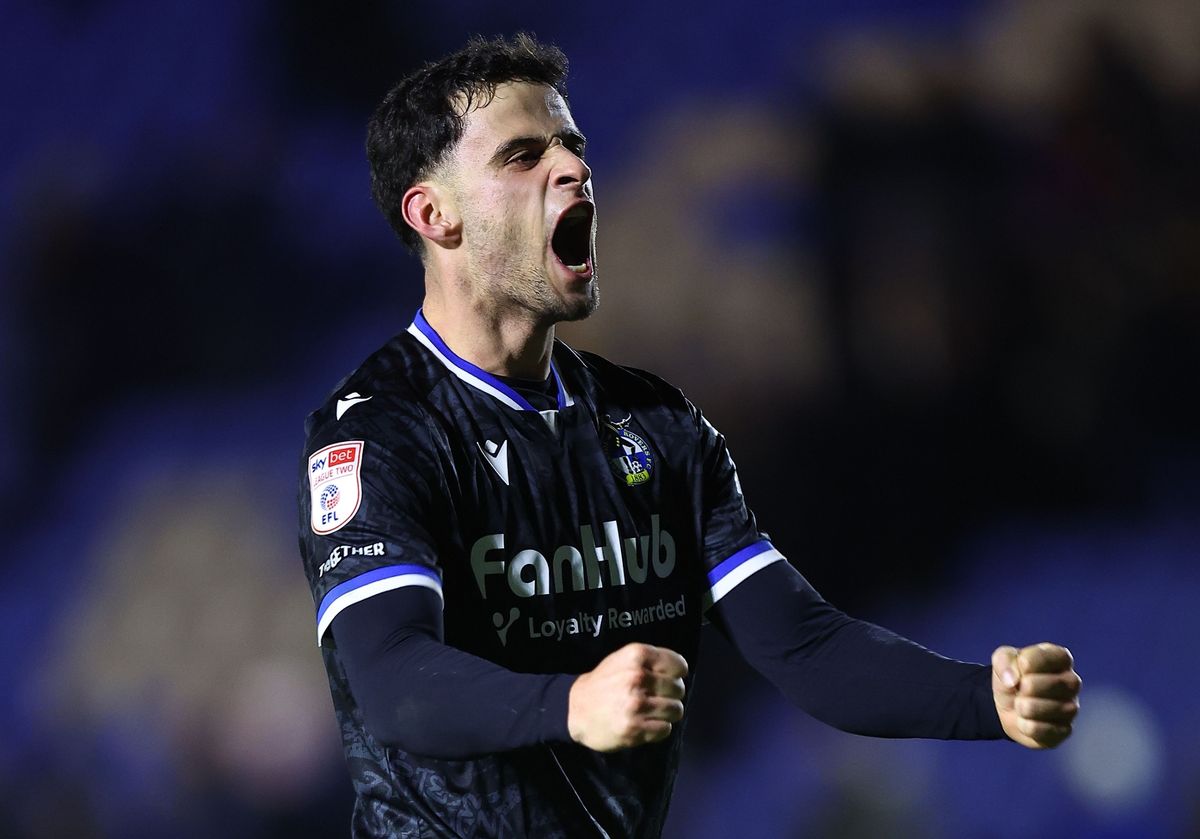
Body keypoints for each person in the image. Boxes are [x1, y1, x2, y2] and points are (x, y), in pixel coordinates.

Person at [298, 33, 1082, 839]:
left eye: (572, 146)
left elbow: (804, 647)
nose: (571, 169)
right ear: (436, 215)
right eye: (523, 155)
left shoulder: (659, 423)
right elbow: (393, 680)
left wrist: (981, 698)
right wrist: (570, 702)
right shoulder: (381, 429)